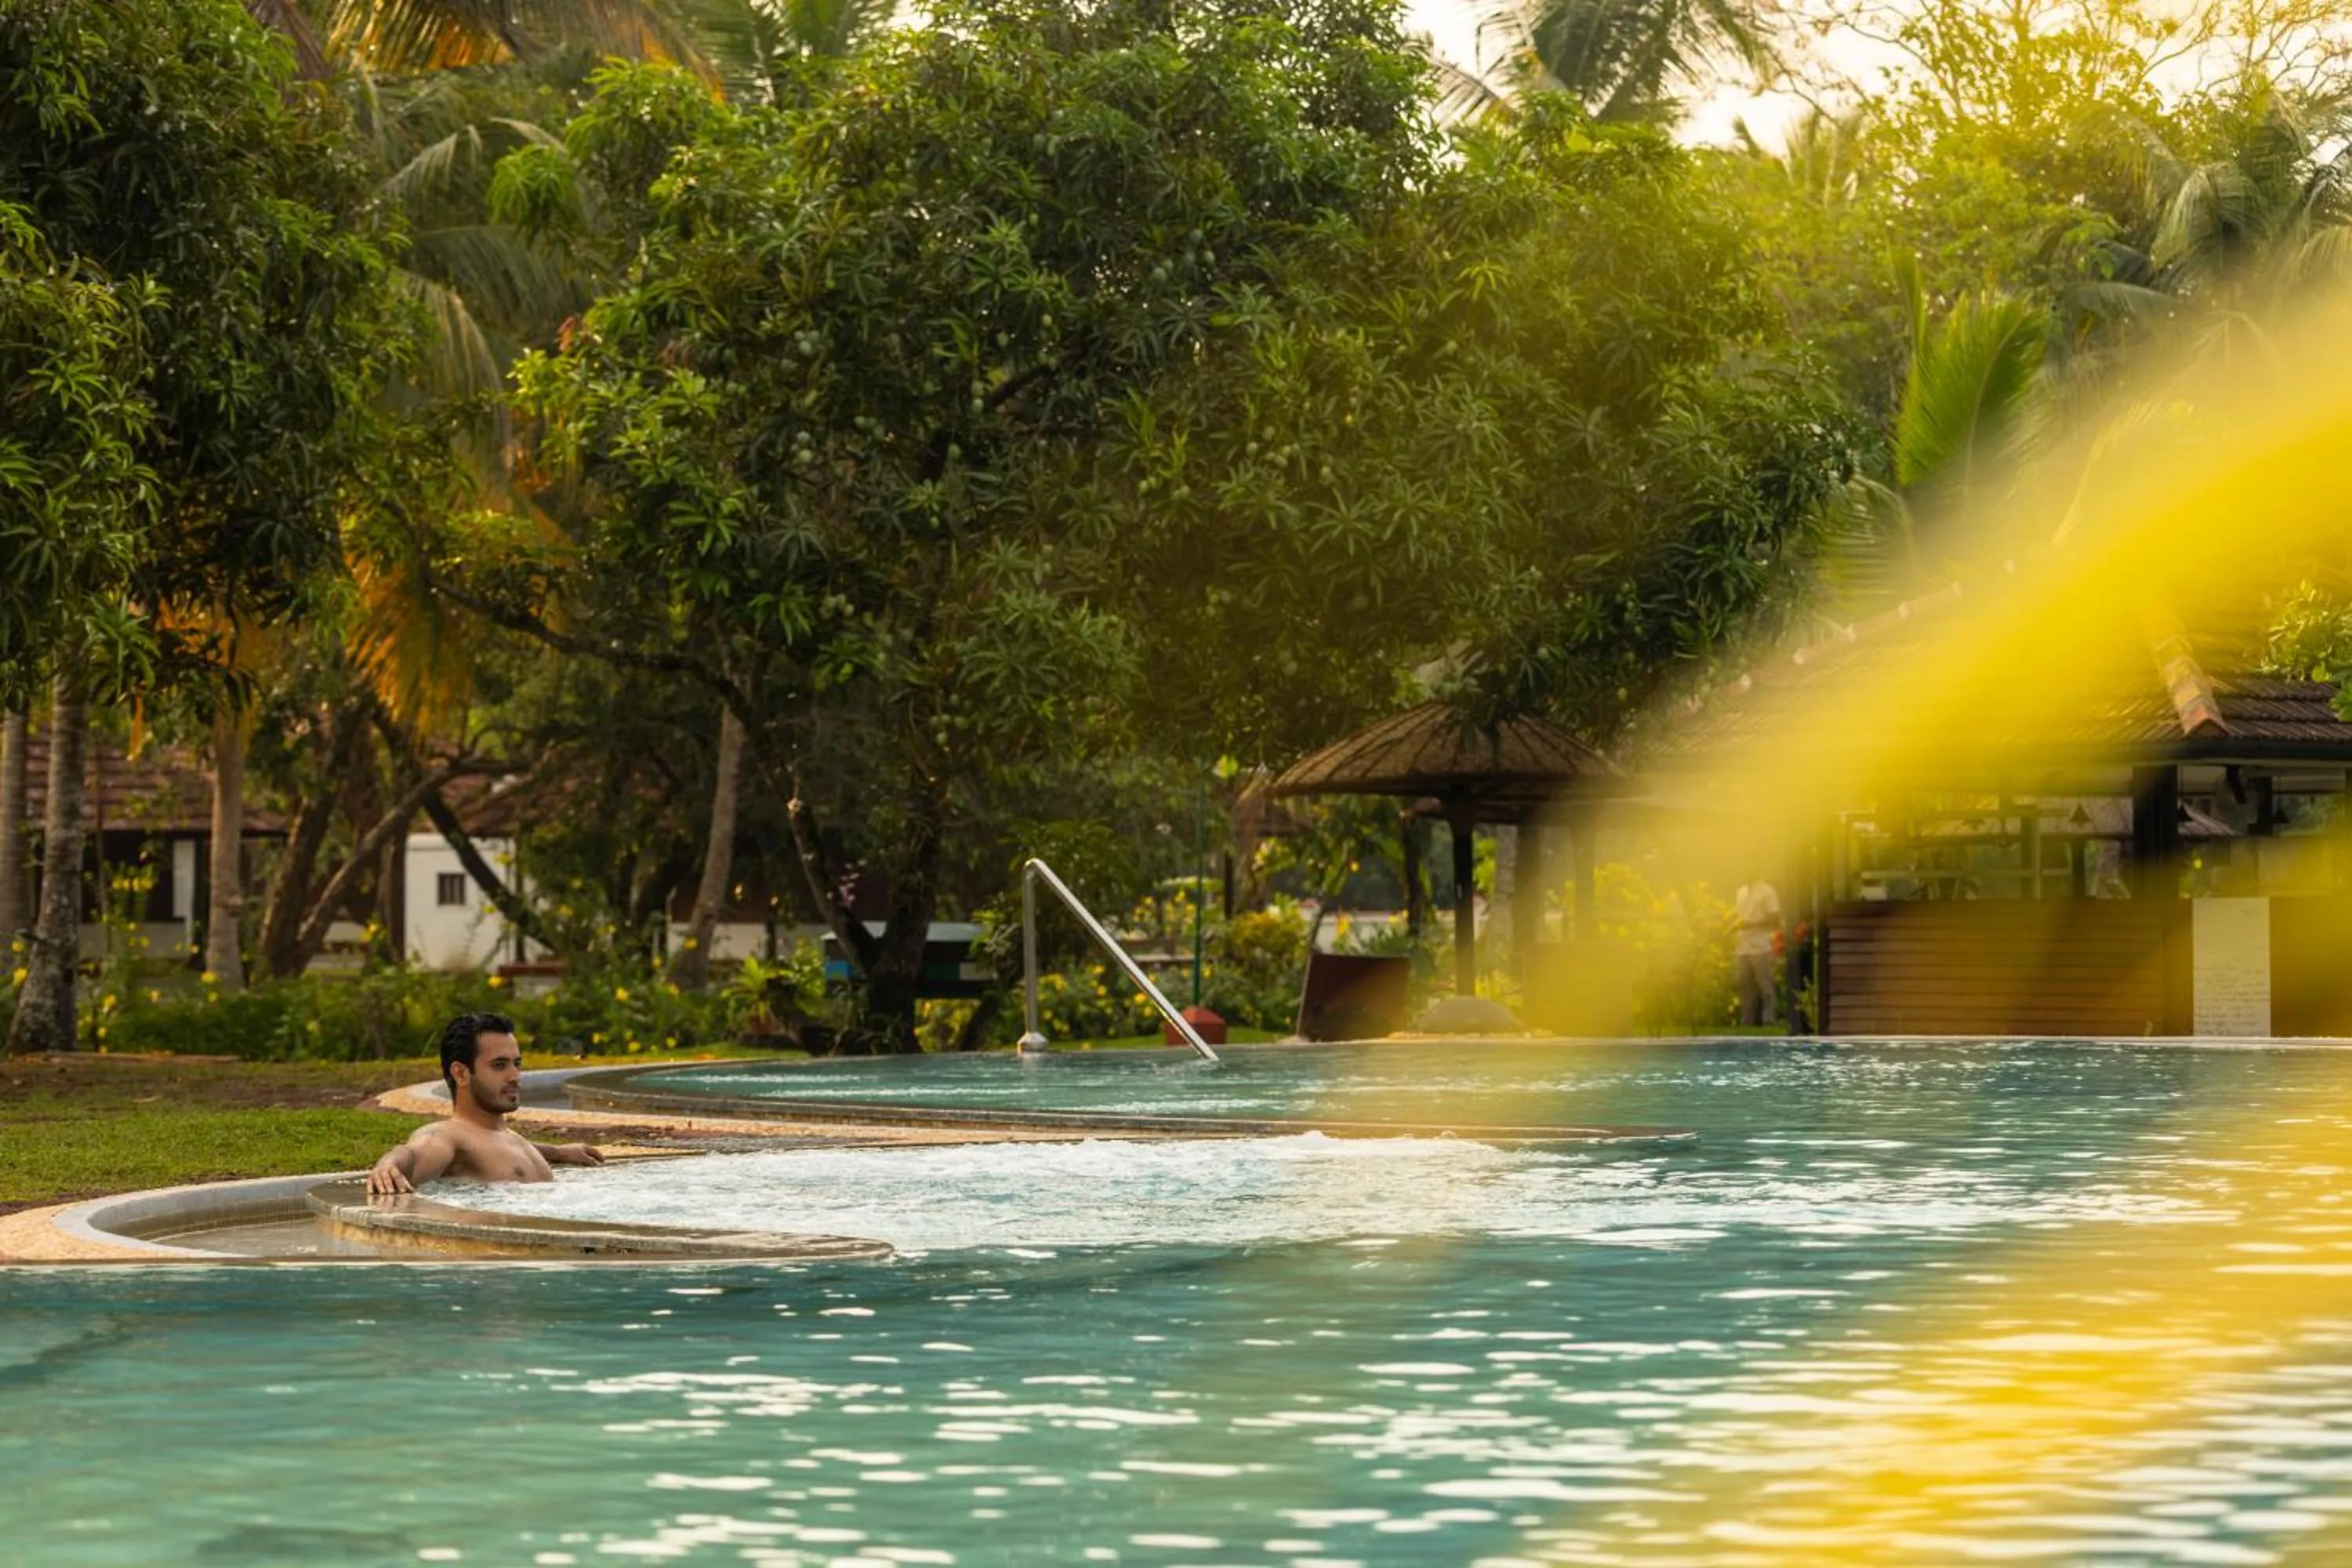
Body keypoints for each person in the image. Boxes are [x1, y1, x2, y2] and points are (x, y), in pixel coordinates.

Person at [365, 1012, 604, 1196]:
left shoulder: (500, 1135)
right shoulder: (449, 1136)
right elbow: (416, 1152)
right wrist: (388, 1164)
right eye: (499, 1065)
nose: (515, 1076)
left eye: (517, 1064)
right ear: (461, 1074)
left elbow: (495, 1149)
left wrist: (560, 1152)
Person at [1732, 874, 1781, 1027]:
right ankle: (1747, 1020)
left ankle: (1768, 1019)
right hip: (1743, 946)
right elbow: (1740, 916)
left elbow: (1775, 918)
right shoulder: (1741, 892)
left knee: (1764, 984)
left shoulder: (1767, 891)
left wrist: (1750, 925)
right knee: (1745, 984)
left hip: (1761, 945)